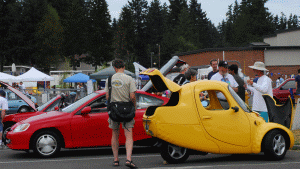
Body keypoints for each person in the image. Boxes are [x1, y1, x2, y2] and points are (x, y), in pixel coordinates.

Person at [104, 59, 137, 168]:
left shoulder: (109, 80)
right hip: (127, 109)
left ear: (114, 68)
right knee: (128, 136)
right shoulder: (129, 78)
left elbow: (107, 97)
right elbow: (132, 96)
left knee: (114, 134)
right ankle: (128, 159)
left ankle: (116, 159)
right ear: (124, 67)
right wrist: (134, 107)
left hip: (114, 110)